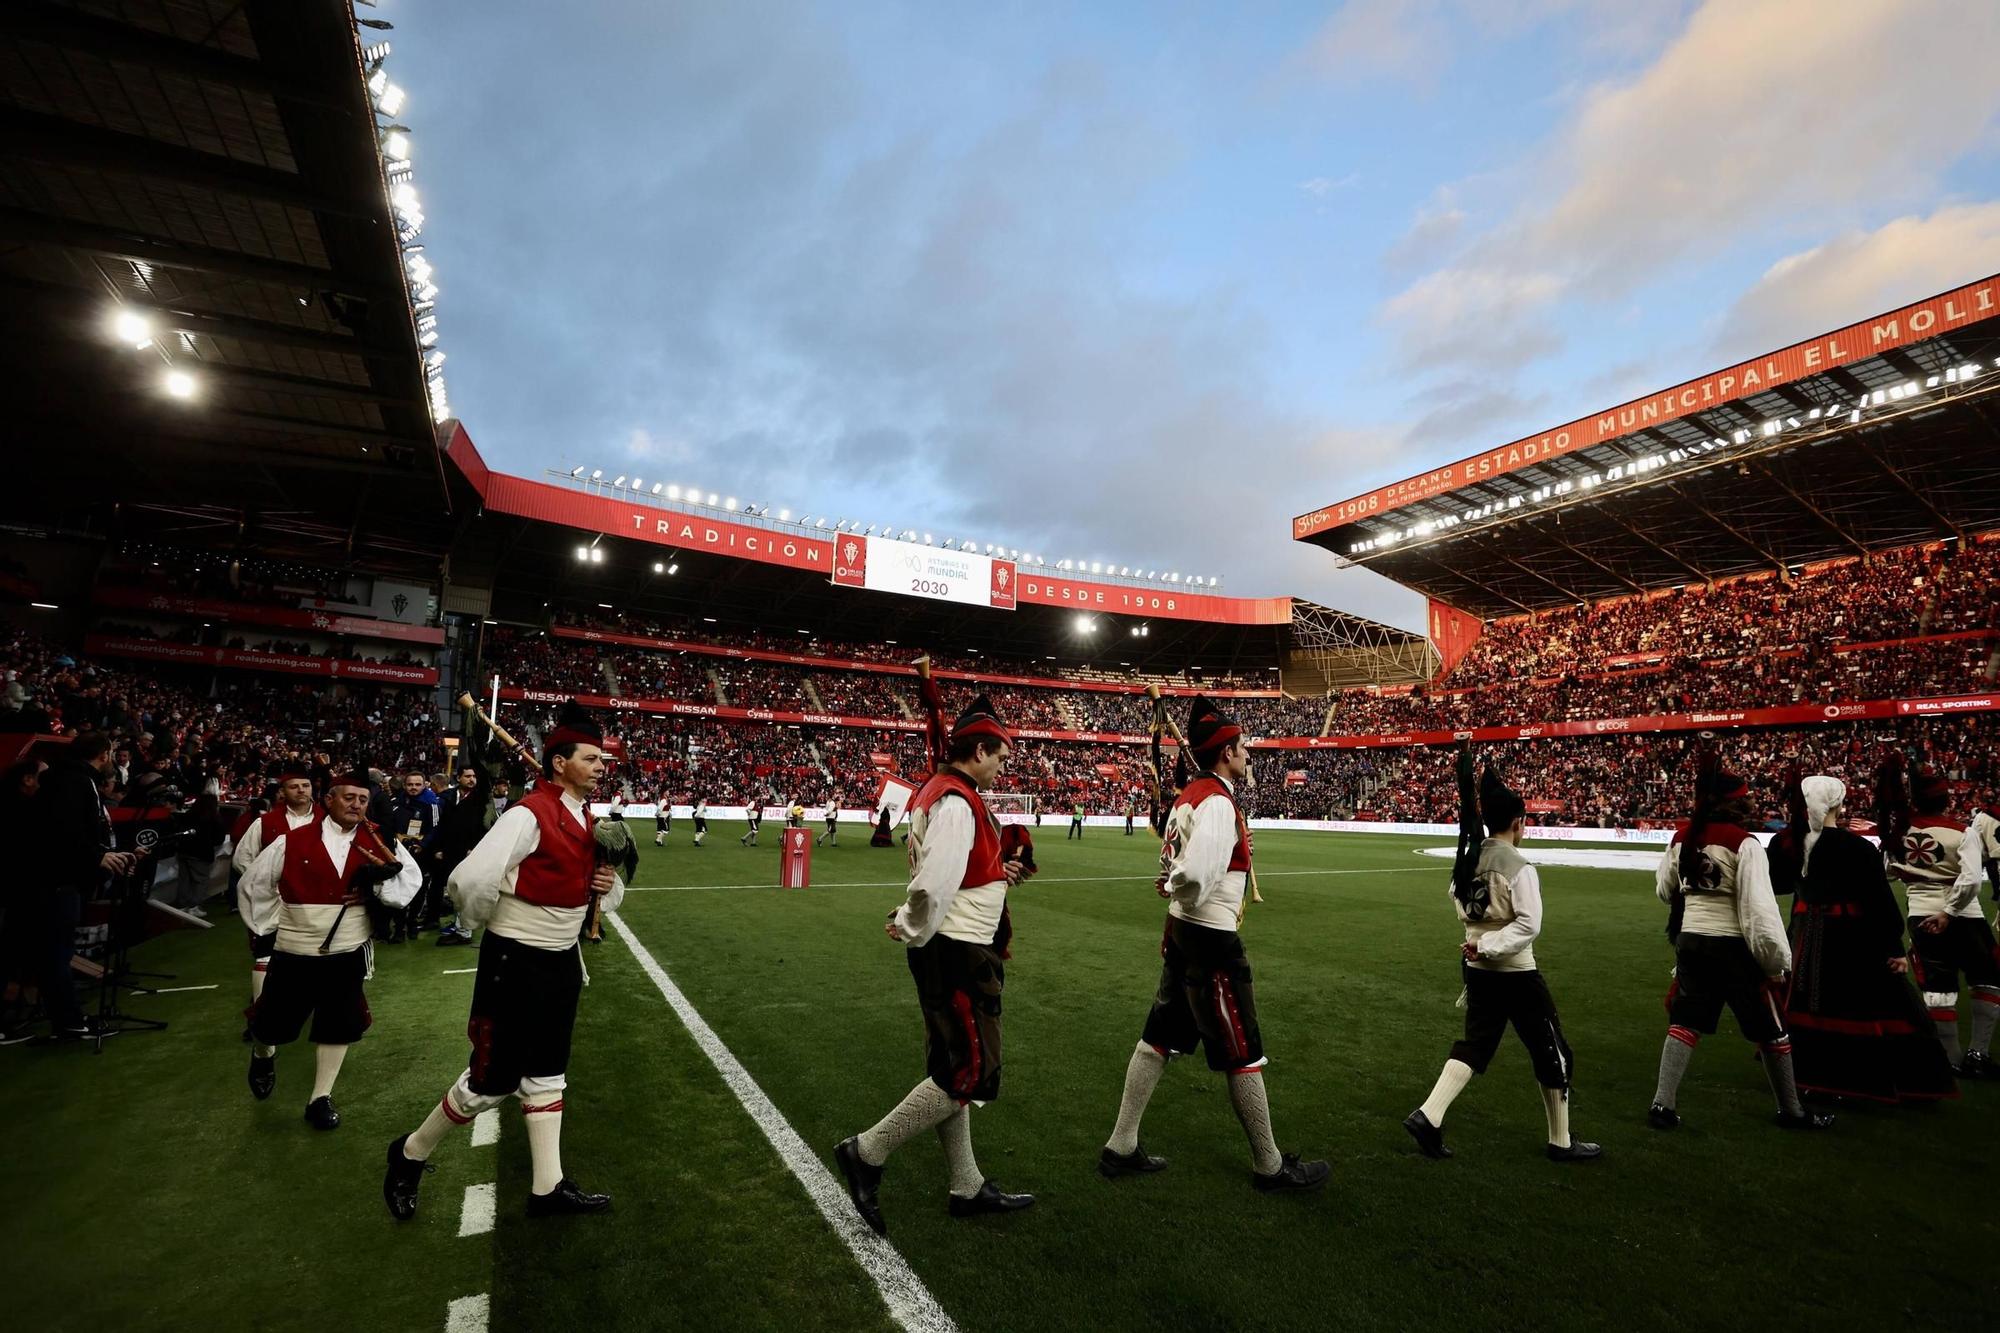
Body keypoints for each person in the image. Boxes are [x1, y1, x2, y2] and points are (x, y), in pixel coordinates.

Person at [383, 701, 625, 1220]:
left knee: (546, 1075)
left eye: (603, 758)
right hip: (514, 961)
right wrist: (491, 925)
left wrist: (607, 885)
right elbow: (469, 881)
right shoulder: (527, 814)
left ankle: (547, 1189)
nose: (602, 766)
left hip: (562, 961)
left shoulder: (589, 819)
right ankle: (409, 1153)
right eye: (591, 757)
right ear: (559, 762)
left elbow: (605, 893)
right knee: (490, 1083)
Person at [1097, 698, 1329, 1192]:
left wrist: (1175, 886)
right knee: (1241, 1051)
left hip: (1183, 933)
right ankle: (1269, 1166)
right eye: (1242, 747)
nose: (1247, 754)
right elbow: (1199, 875)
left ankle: (1121, 1145)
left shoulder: (1188, 796)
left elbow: (1180, 870)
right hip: (1211, 938)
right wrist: (1179, 884)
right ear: (1225, 752)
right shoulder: (1219, 802)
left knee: (1158, 1038)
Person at [835, 695, 1034, 1235]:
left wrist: (999, 874)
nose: (1001, 766)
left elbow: (958, 871)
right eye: (999, 755)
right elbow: (934, 882)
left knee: (952, 1068)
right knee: (966, 1072)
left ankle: (965, 1185)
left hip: (955, 946)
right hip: (958, 951)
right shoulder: (955, 801)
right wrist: (909, 922)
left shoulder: (952, 795)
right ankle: (867, 1151)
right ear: (979, 750)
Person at [1404, 762, 1601, 1163]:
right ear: (1517, 822)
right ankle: (1560, 1141)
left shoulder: (1468, 861)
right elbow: (1529, 924)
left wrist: (1478, 943)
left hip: (1477, 970)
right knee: (1553, 1051)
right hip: (1515, 973)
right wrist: (1492, 945)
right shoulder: (1519, 867)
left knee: (1476, 1047)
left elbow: (1459, 902)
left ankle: (1429, 1115)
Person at [1649, 768, 1830, 1131]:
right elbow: (1758, 910)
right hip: (1733, 949)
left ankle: (1662, 1104)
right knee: (1771, 1029)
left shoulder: (1681, 838)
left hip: (1691, 942)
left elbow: (1665, 891)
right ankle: (1791, 1110)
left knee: (1684, 1022)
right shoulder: (1744, 844)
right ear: (1736, 802)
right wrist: (1775, 961)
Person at [240, 772, 421, 1130]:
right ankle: (263, 1054)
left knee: (338, 1025)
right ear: (329, 800)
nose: (356, 805)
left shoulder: (379, 839)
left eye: (363, 799)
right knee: (270, 1024)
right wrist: (271, 925)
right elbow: (254, 885)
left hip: (347, 949)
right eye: (349, 798)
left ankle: (319, 1097)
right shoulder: (292, 841)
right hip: (294, 950)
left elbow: (409, 881)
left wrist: (375, 895)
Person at [1783, 776, 1957, 1103]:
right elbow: (1878, 901)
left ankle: (1806, 1072)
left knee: (1808, 1002)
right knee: (1860, 1003)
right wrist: (1894, 947)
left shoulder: (1792, 844)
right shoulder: (1858, 848)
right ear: (1838, 804)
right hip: (1851, 938)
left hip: (1806, 937)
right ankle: (1858, 1077)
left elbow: (1779, 884)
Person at [1891, 766, 2000, 1076]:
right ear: (1946, 800)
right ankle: (1978, 1054)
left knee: (1938, 987)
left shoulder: (1900, 832)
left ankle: (1950, 1060)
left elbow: (1888, 869)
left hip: (1922, 913)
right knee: (1987, 979)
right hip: (1967, 916)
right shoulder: (1962, 832)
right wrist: (1950, 911)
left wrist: (1919, 878)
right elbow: (1971, 881)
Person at [34, 734, 135, 1041]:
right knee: (57, 953)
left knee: (56, 952)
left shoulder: (68, 779)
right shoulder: (76, 782)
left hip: (59, 879)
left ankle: (67, 1018)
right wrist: (97, 856)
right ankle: (68, 1021)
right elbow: (67, 831)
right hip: (59, 882)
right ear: (104, 755)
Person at [232, 766, 320, 1022]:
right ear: (282, 792)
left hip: (316, 902)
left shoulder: (328, 820)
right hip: (276, 903)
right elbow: (242, 859)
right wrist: (266, 885)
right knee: (270, 956)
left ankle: (308, 1007)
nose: (301, 790)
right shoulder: (266, 822)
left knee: (313, 954)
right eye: (294, 786)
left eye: (305, 785)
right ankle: (263, 1015)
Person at [431, 762, 493, 948]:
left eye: (474, 776)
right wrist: (438, 848)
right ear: (458, 778)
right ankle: (459, 926)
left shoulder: (481, 799)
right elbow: (442, 826)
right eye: (467, 776)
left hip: (472, 852)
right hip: (451, 851)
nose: (471, 780)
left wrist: (475, 848)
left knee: (467, 890)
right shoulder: (449, 797)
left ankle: (464, 931)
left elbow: (484, 827)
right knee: (455, 890)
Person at [387, 771, 440, 941]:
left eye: (417, 784)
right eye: (410, 784)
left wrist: (422, 845)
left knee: (419, 888)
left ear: (424, 785)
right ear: (404, 785)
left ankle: (412, 923)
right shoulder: (396, 802)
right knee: (398, 888)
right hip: (399, 852)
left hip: (420, 854)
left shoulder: (431, 804)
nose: (413, 788)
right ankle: (399, 927)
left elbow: (436, 829)